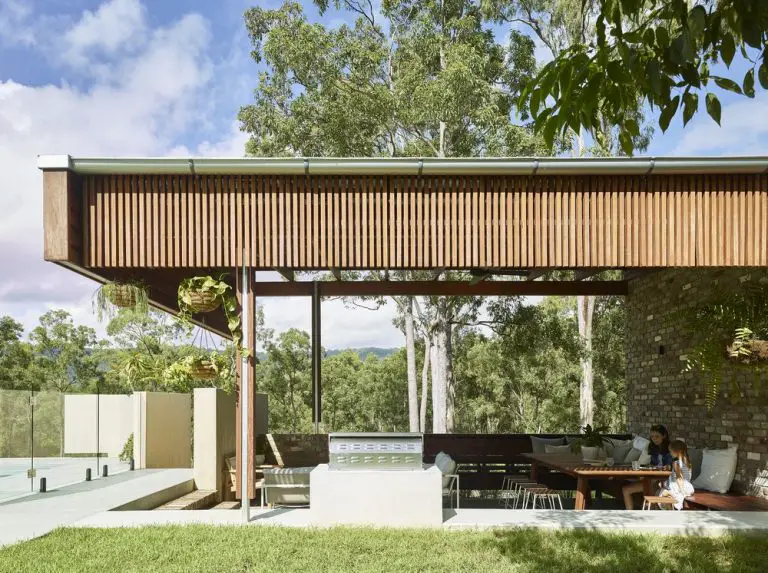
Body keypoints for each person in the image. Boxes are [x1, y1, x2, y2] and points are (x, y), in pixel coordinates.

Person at [622, 424, 672, 510]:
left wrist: (667, 467)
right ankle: (629, 514)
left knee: (628, 489)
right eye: (652, 436)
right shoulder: (652, 448)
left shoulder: (670, 448)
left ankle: (649, 510)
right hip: (651, 478)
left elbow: (671, 467)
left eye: (657, 436)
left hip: (664, 481)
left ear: (664, 436)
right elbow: (652, 464)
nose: (654, 439)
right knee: (625, 489)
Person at [657, 440, 695, 510]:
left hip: (678, 486)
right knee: (663, 486)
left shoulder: (676, 463)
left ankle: (670, 498)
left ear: (677, 451)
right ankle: (671, 502)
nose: (670, 453)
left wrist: (682, 490)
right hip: (688, 486)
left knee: (662, 489)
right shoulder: (688, 462)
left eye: (671, 451)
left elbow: (679, 478)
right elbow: (686, 476)